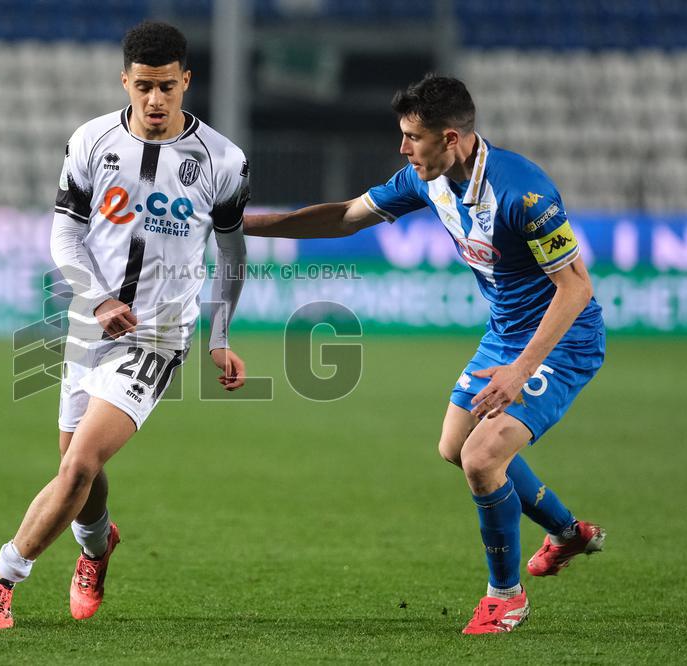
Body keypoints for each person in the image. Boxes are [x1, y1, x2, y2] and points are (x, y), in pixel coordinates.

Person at [244, 74, 605, 635]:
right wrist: (244, 225)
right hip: (507, 332)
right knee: (455, 446)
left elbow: (575, 288)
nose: (403, 148)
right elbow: (344, 217)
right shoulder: (427, 179)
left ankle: (505, 596)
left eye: (413, 137)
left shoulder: (523, 194)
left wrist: (520, 370)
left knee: (482, 459)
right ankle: (566, 532)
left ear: (452, 138)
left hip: (563, 338)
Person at [0, 21, 250, 629]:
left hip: (158, 335)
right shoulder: (91, 141)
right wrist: (97, 299)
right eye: (145, 86)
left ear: (187, 82)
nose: (156, 101)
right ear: (125, 80)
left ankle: (2, 580)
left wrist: (221, 336)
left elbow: (231, 255)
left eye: (168, 88)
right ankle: (97, 549)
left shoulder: (222, 160)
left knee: (75, 469)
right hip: (87, 326)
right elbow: (65, 232)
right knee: (79, 470)